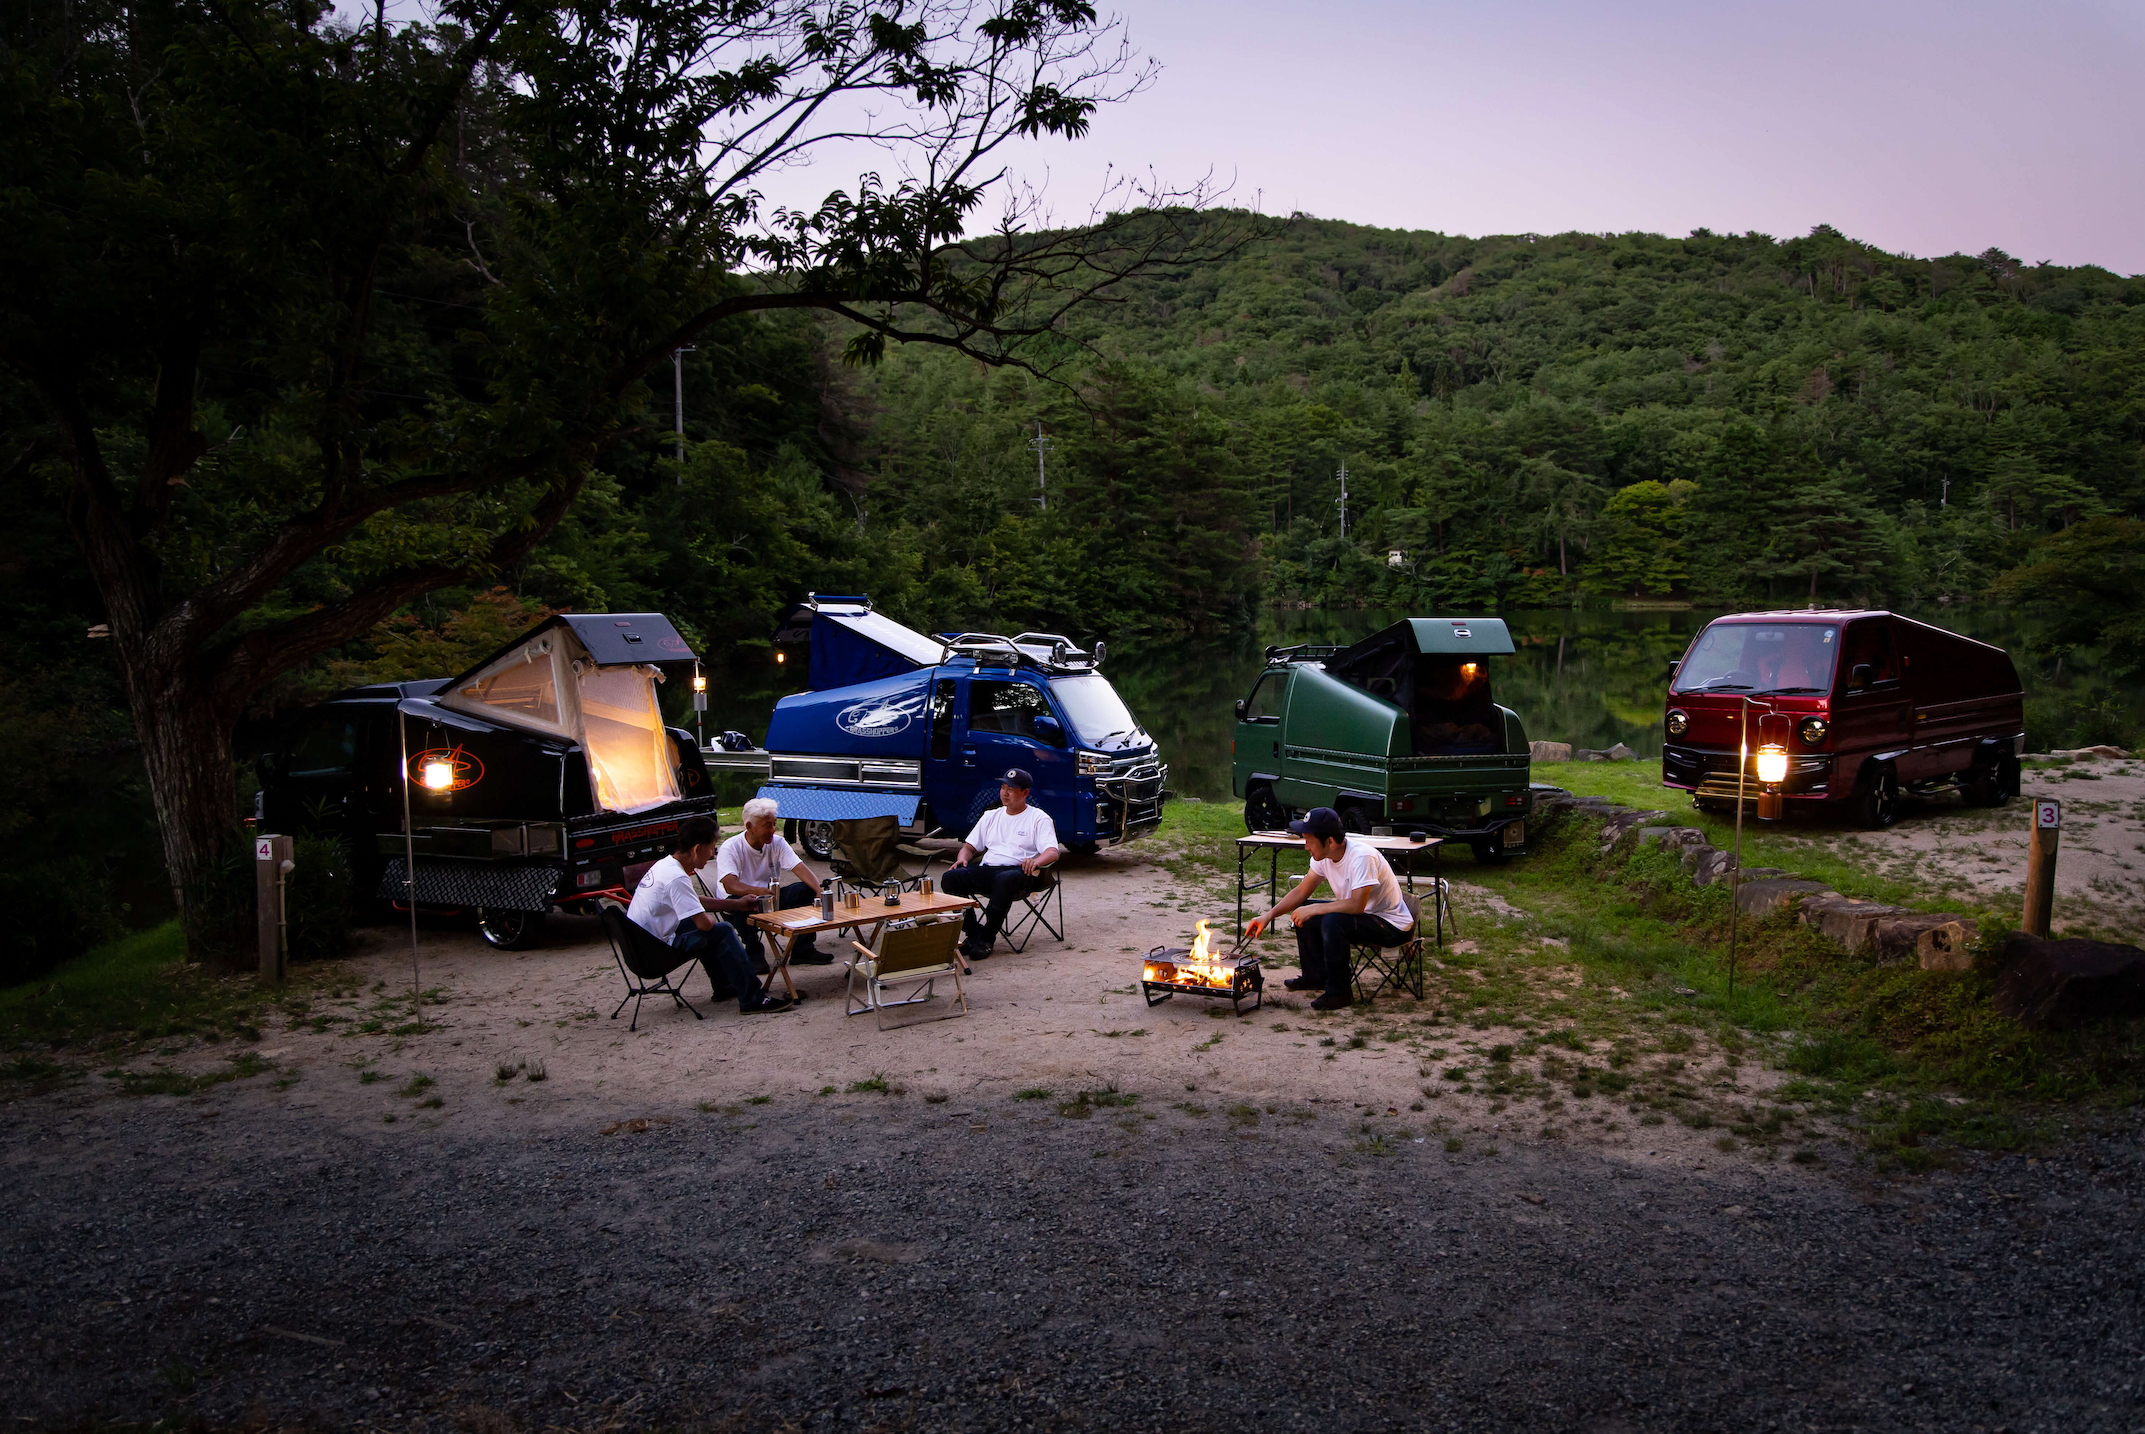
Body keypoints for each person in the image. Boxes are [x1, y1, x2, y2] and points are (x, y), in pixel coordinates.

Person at [1241, 806, 1412, 1011]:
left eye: (1309, 841)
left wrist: (1316, 910)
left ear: (1330, 841)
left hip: (1391, 925)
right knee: (1304, 910)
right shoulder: (1323, 858)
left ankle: (1339, 993)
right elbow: (1301, 891)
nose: (1306, 847)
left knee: (1331, 920)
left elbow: (1358, 905)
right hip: (1364, 918)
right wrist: (1268, 916)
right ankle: (1315, 977)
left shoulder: (1361, 857)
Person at [627, 815, 792, 1014]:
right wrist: (710, 919)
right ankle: (753, 999)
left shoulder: (666, 866)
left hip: (641, 946)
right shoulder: (676, 877)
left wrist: (737, 904)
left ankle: (723, 986)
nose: (713, 854)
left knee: (700, 926)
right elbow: (705, 924)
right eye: (712, 848)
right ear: (697, 849)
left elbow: (691, 900)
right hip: (654, 954)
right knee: (721, 930)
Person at [940, 768, 1059, 961]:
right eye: (1003, 787)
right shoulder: (991, 816)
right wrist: (963, 858)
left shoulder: (1038, 818)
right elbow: (969, 847)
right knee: (950, 878)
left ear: (1025, 793)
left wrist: (1036, 861)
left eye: (1011, 789)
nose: (1005, 793)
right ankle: (974, 932)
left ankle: (987, 939)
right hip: (989, 869)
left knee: (1005, 879)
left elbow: (1052, 851)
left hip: (1020, 872)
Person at [715, 797, 829, 966]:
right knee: (740, 905)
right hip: (739, 899)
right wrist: (756, 891)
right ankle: (754, 954)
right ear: (749, 827)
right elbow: (729, 885)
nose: (773, 829)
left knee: (806, 889)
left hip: (769, 897)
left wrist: (819, 892)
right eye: (767, 825)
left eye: (774, 824)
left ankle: (803, 949)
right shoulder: (731, 847)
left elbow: (800, 868)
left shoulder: (777, 843)